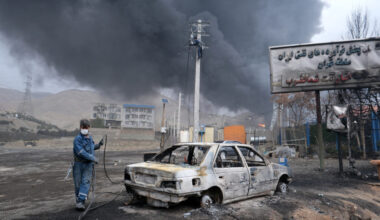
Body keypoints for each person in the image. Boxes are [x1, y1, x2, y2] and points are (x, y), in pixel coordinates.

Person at [73, 119, 103, 210]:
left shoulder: (89, 138)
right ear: (80, 127)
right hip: (78, 164)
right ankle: (78, 200)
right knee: (78, 183)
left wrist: (98, 145)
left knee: (85, 182)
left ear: (89, 128)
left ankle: (81, 202)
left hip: (88, 165)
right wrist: (93, 158)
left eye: (87, 127)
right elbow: (81, 152)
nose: (85, 129)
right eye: (83, 127)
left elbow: (91, 147)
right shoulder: (77, 139)